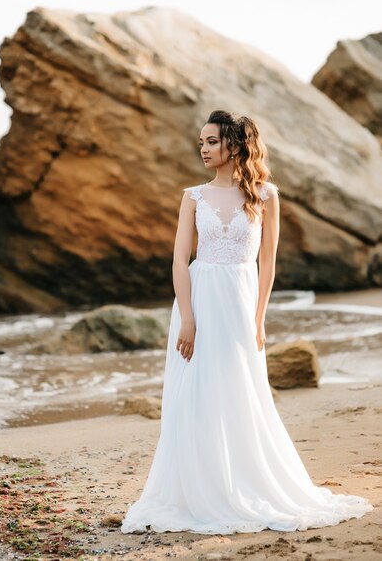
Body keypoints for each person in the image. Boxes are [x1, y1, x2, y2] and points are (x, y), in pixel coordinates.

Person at [121, 110, 374, 534]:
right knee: (195, 397)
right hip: (199, 301)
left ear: (234, 145)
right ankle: (199, 489)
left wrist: (258, 319)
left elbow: (268, 263)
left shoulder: (265, 195)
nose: (204, 149)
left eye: (212, 142)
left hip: (239, 303)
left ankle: (243, 485)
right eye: (201, 143)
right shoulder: (193, 197)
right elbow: (180, 261)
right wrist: (187, 318)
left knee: (240, 395)